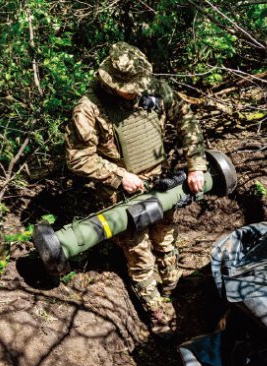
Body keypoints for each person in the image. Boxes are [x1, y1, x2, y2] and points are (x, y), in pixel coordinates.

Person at [64, 42, 207, 335]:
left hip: (160, 183)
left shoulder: (152, 87)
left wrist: (196, 164)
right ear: (110, 83)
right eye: (128, 88)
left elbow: (186, 118)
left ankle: (172, 286)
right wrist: (119, 176)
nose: (136, 92)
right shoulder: (88, 109)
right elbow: (77, 158)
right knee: (139, 252)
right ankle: (156, 312)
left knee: (165, 236)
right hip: (122, 195)